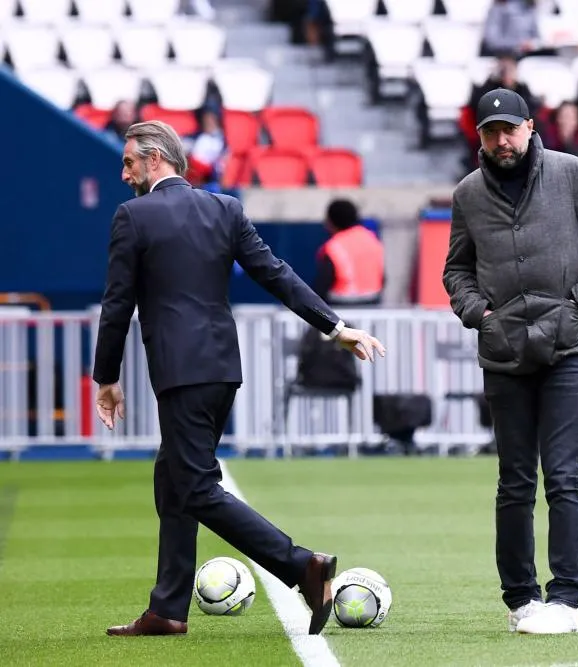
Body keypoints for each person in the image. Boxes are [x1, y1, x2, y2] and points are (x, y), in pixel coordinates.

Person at [93, 120, 385, 637]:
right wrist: (335, 326)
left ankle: (302, 567)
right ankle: (167, 609)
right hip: (223, 369)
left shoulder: (131, 218)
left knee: (196, 485)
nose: (123, 173)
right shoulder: (224, 209)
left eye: (129, 163)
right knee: (175, 478)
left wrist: (106, 377)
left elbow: (118, 303)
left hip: (179, 372)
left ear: (155, 159)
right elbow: (275, 273)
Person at [442, 89, 578, 634]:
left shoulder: (572, 173)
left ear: (530, 128)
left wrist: (576, 304)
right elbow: (456, 271)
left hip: (569, 347)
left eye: (510, 129)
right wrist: (482, 315)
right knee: (513, 480)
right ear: (478, 136)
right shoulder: (468, 194)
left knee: (565, 477)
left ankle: (567, 599)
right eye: (490, 131)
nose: (502, 140)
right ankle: (520, 598)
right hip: (503, 352)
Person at [314, 198, 385, 306]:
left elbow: (321, 287)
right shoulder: (372, 240)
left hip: (341, 307)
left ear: (332, 221)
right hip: (372, 304)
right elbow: (383, 278)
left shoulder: (334, 247)